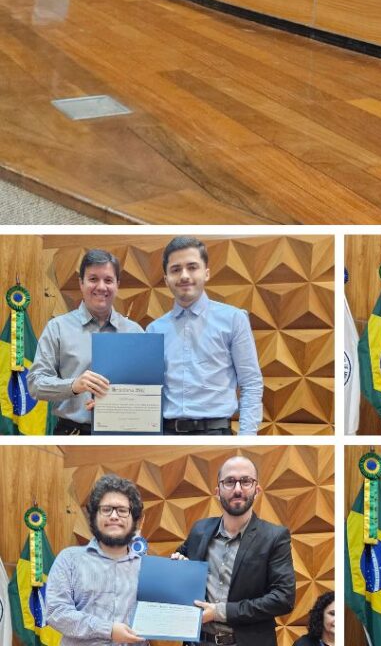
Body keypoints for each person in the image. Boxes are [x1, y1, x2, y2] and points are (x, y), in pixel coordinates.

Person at [174, 455, 296, 646]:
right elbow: (180, 566)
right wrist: (177, 564)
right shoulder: (200, 530)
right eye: (230, 482)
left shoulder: (275, 537)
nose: (238, 489)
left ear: (257, 490)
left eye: (246, 481)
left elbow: (283, 598)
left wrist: (220, 612)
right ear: (217, 491)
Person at [146, 236, 263, 435]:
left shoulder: (234, 319)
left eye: (192, 267)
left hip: (215, 432)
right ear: (166, 279)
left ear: (206, 273)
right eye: (176, 269)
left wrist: (247, 437)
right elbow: (147, 391)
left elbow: (251, 383)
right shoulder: (154, 330)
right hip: (166, 433)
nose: (184, 275)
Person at [28, 249, 144, 435]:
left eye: (108, 280)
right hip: (72, 433)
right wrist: (74, 386)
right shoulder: (57, 328)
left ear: (117, 285)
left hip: (123, 433)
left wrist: (118, 401)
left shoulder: (135, 331)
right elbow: (35, 384)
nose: (101, 287)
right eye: (93, 279)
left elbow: (146, 387)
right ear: (81, 283)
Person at [46, 474, 146, 646]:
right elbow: (57, 612)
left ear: (134, 519)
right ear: (93, 516)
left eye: (122, 510)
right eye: (106, 509)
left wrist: (180, 571)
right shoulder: (69, 559)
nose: (114, 516)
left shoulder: (147, 568)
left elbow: (164, 613)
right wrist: (108, 630)